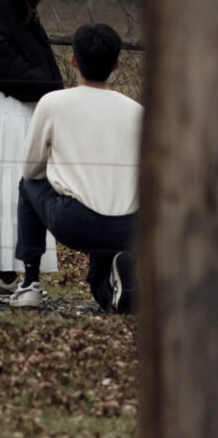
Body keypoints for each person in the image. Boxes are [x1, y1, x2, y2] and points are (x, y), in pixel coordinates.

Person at [9, 23, 141, 313]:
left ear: (73, 60)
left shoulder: (53, 103)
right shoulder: (137, 112)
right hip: (130, 227)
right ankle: (123, 288)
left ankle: (30, 283)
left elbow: (31, 170)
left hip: (77, 222)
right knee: (98, 286)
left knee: (26, 185)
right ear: (117, 64)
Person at [0, 0, 64, 303]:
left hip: (22, 105)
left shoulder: (19, 3)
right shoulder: (1, 3)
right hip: (8, 107)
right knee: (13, 188)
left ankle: (16, 279)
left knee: (21, 187)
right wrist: (43, 84)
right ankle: (10, 280)